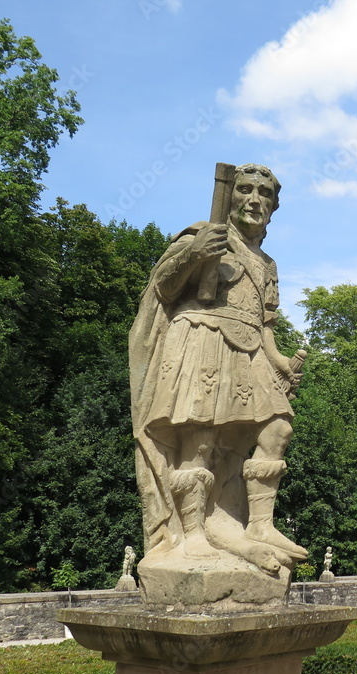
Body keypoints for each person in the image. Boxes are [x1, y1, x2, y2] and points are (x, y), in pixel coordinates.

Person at [130, 164, 307, 577]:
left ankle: (260, 524)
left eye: (264, 194)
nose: (254, 199)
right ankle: (192, 534)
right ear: (230, 195)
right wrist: (195, 255)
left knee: (278, 428)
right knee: (200, 439)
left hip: (250, 348)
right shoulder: (202, 235)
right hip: (202, 334)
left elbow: (264, 326)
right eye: (245, 189)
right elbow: (164, 290)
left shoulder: (268, 264)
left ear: (274, 206)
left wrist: (281, 362)